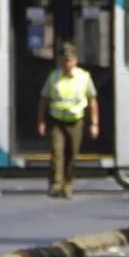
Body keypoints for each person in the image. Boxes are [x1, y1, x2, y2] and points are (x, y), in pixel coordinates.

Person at [37, 42, 99, 198]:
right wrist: (41, 121)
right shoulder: (54, 77)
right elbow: (43, 99)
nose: (67, 63)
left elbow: (92, 101)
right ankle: (56, 184)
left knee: (72, 154)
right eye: (65, 60)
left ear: (75, 60)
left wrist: (94, 123)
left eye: (70, 60)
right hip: (56, 120)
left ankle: (68, 184)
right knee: (57, 153)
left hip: (75, 121)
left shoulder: (84, 77)